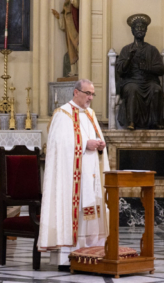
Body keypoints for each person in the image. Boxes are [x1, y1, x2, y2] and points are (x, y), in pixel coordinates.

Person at [37, 79, 109, 269]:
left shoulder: (91, 114)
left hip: (91, 173)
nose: (90, 98)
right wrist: (86, 144)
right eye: (88, 93)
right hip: (72, 178)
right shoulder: (63, 114)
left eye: (93, 94)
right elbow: (58, 146)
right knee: (76, 211)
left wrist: (101, 146)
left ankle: (94, 251)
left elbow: (96, 138)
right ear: (76, 92)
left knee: (93, 208)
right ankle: (70, 254)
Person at [116, 14, 164, 130]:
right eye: (137, 28)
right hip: (131, 81)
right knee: (132, 89)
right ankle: (131, 121)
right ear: (132, 31)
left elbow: (161, 69)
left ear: (146, 31)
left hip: (149, 82)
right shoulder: (126, 49)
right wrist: (129, 58)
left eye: (142, 28)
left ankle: (155, 121)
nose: (140, 30)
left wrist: (147, 68)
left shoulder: (152, 49)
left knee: (156, 89)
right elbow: (120, 71)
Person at [52, 0, 79, 77]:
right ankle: (74, 71)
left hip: (75, 29)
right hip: (68, 29)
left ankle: (80, 69)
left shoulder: (73, 2)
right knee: (71, 52)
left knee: (78, 48)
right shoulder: (65, 4)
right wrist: (58, 17)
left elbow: (77, 6)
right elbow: (63, 25)